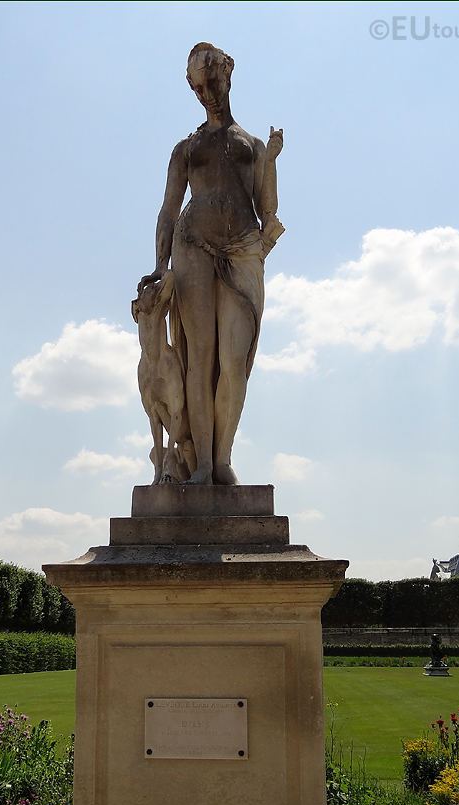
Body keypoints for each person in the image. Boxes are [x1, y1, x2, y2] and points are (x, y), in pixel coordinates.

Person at [137, 42, 284, 485]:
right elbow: (167, 210)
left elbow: (267, 208)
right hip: (193, 247)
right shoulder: (186, 148)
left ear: (228, 73)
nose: (207, 93)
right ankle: (202, 464)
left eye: (213, 82)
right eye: (198, 87)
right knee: (198, 359)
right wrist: (161, 265)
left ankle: (222, 459)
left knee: (234, 362)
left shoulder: (254, 146)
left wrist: (272, 164)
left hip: (241, 248)